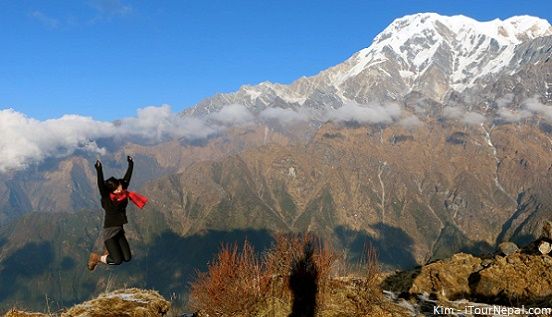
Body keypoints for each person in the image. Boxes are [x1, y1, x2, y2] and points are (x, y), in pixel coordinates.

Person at [88, 155, 148, 271]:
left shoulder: (122, 191)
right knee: (117, 260)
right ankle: (97, 258)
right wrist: (99, 170)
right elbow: (101, 185)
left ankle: (108, 252)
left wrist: (131, 163)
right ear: (111, 191)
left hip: (119, 231)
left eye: (119, 186)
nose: (119, 189)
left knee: (127, 258)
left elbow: (127, 178)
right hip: (110, 232)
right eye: (116, 189)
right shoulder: (107, 198)